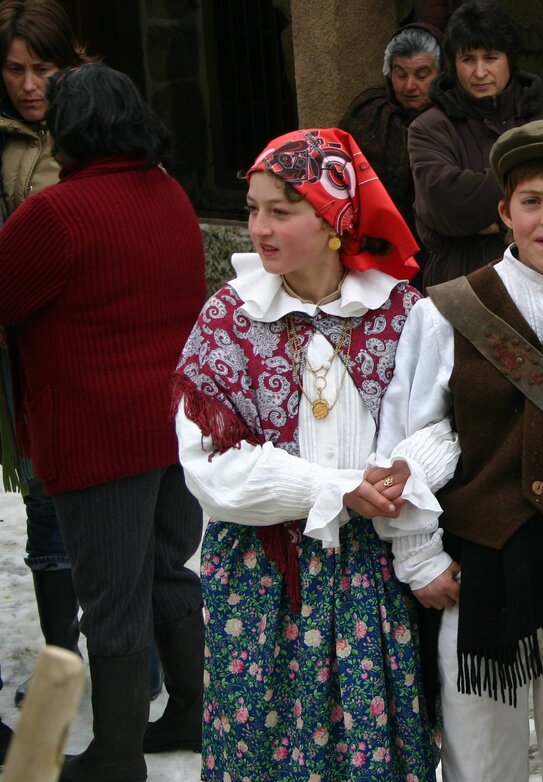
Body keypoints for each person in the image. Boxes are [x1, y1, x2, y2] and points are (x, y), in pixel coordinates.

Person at [376, 116, 543, 781]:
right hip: (476, 569)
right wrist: (419, 554)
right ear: (504, 212)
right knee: (477, 743)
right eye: (533, 202)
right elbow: (406, 437)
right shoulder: (445, 311)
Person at [173, 127, 442, 781]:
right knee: (266, 751)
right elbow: (210, 466)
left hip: (370, 579)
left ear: (332, 220)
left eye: (280, 210)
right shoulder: (229, 318)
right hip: (264, 579)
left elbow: (439, 425)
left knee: (369, 749)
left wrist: (408, 469)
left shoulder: (402, 313)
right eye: (253, 209)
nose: (258, 227)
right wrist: (336, 487)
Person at [0, 62, 206, 782]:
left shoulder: (55, 214)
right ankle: (189, 709)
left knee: (111, 596)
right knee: (169, 573)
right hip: (173, 427)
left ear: (68, 129)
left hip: (96, 436)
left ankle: (117, 755)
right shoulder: (170, 193)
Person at [0, 0, 93, 721]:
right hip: (19, 353)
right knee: (44, 509)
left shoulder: (95, 125)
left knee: (123, 519)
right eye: (15, 69)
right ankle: (62, 668)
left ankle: (140, 664)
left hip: (88, 346)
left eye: (44, 68)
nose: (30, 84)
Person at [407, 0, 543, 287]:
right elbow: (447, 205)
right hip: (460, 282)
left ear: (510, 59)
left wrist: (491, 220)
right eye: (468, 59)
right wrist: (530, 188)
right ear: (453, 64)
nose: (479, 72)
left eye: (491, 57)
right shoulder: (428, 127)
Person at [340, 22, 443, 289]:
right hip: (376, 246)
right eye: (400, 74)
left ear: (442, 74)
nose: (410, 85)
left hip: (436, 246)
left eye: (422, 75)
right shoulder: (369, 113)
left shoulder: (452, 117)